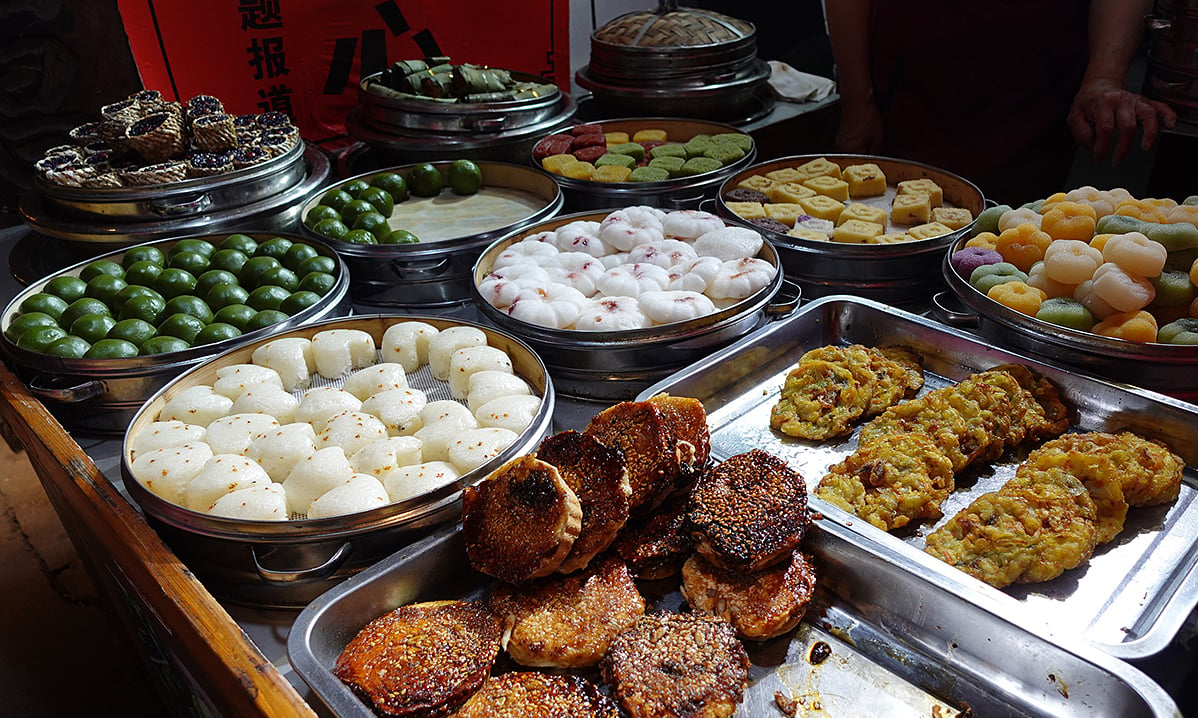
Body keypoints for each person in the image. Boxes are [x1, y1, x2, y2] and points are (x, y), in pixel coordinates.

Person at [826, 0, 1177, 206]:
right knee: (884, 211)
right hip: (908, 78)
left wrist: (1106, 75)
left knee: (1015, 238)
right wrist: (857, 101)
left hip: (1035, 83)